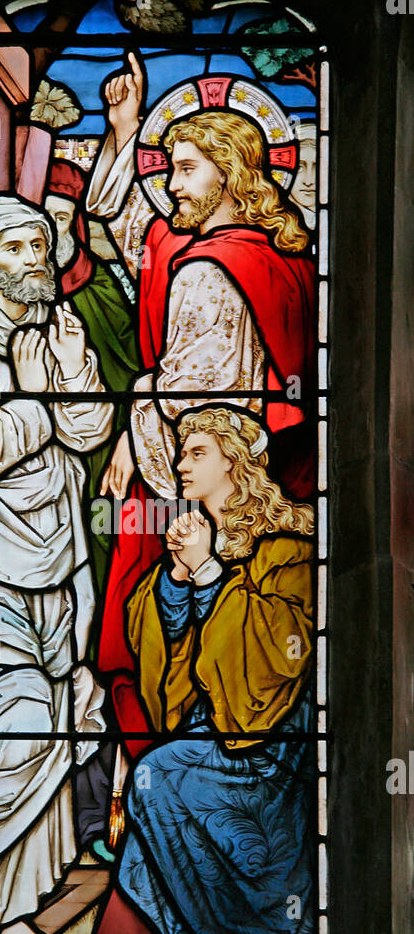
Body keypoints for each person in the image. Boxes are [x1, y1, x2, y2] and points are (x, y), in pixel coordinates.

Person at [86, 54, 315, 749]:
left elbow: (201, 406)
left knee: (170, 631)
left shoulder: (215, 271)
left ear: (230, 175)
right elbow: (141, 242)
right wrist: (124, 129)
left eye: (185, 169)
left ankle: (176, 765)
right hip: (222, 469)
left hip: (204, 482)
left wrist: (136, 423)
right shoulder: (230, 251)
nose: (171, 182)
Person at [91, 407, 316, 934]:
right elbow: (166, 666)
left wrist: (212, 575)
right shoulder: (189, 535)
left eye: (195, 453)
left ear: (233, 464)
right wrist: (178, 583)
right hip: (208, 731)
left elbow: (277, 658)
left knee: (160, 775)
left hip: (267, 746)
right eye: (182, 453)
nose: (181, 464)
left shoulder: (287, 548)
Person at [0, 196, 113, 934]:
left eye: (41, 247)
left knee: (51, 724)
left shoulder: (52, 329)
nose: (35, 261)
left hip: (55, 555)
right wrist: (33, 391)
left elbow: (87, 430)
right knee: (5, 729)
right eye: (18, 248)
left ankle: (8, 913)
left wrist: (63, 373)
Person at [44, 160, 139, 597]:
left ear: (75, 223)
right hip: (32, 457)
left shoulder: (99, 285)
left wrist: (128, 436)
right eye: (40, 216)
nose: (50, 229)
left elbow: (130, 366)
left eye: (60, 218)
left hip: (100, 453)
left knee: (100, 538)